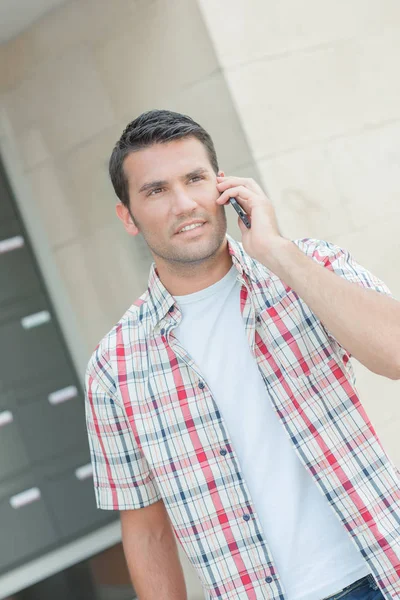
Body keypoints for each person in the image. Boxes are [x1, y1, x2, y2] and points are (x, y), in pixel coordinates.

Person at [84, 109, 400, 600]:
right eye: (156, 190)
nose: (184, 203)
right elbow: (147, 527)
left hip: (386, 570)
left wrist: (275, 250)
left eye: (195, 178)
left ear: (224, 185)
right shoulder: (114, 367)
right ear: (128, 216)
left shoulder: (310, 268)